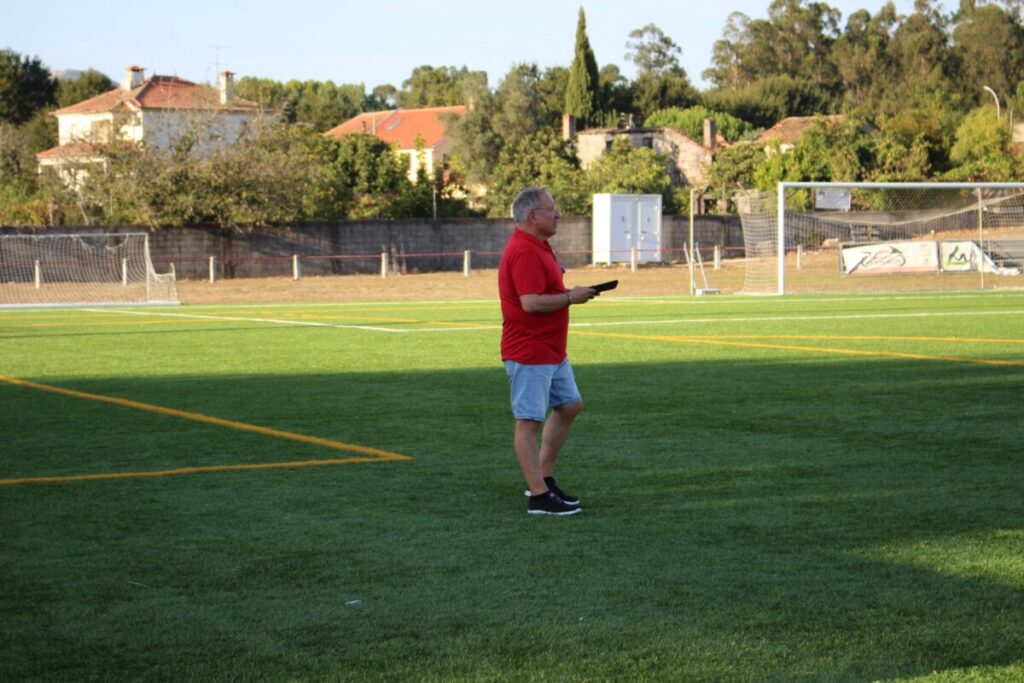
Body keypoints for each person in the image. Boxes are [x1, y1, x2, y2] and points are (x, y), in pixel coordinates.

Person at [498, 186, 597, 516]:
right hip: (530, 350)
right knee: (528, 422)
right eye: (551, 209)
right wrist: (571, 297)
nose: (558, 215)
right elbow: (530, 303)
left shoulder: (541, 246)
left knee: (569, 405)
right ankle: (538, 496)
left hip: (551, 349)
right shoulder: (525, 250)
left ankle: (543, 478)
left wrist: (570, 292)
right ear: (532, 216)